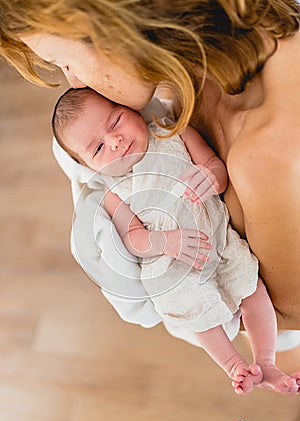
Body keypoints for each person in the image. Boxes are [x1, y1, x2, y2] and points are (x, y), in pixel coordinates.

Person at [1, 0, 300, 395]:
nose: (74, 83)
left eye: (64, 62)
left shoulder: (266, 160)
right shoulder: (163, 95)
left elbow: (287, 314)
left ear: (120, 32)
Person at [51, 86, 299, 395]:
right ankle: (233, 365)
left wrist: (211, 177)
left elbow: (215, 168)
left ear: (132, 109)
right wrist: (166, 242)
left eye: (115, 121)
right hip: (173, 264)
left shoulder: (172, 133)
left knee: (252, 288)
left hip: (218, 239)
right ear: (90, 167)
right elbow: (134, 238)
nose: (114, 140)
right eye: (98, 149)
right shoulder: (114, 192)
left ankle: (267, 360)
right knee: (195, 313)